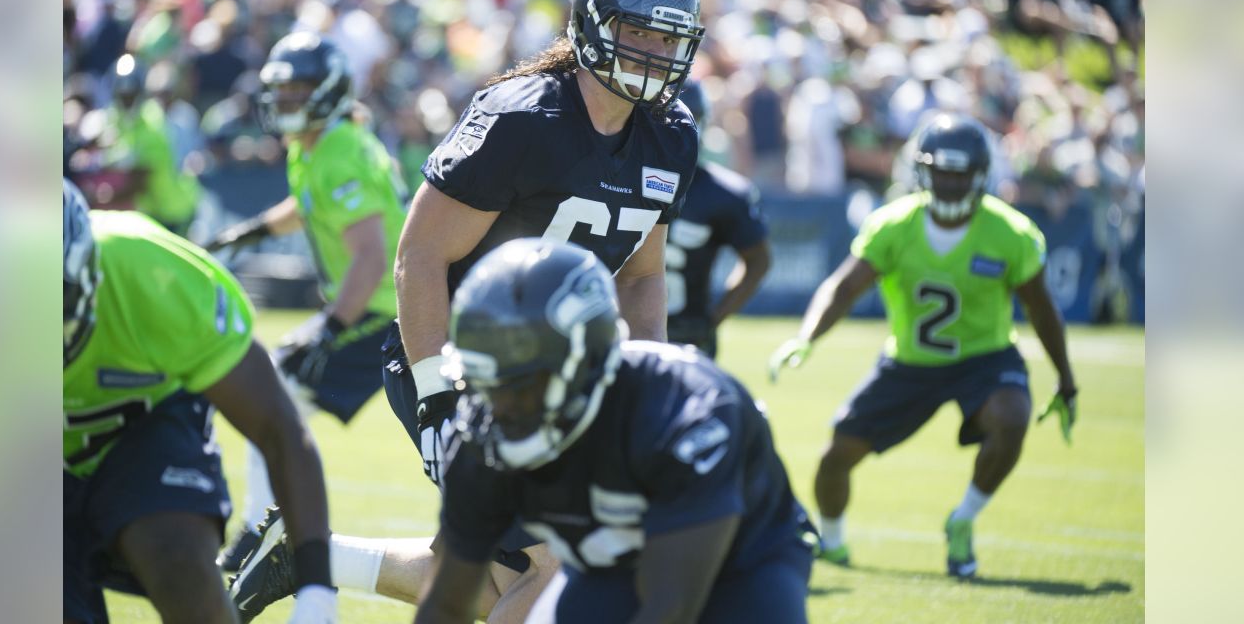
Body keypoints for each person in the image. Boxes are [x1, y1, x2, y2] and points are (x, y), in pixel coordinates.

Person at [229, 0, 704, 623]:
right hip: (463, 357)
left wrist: (648, 381)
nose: (657, 53)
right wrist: (437, 392)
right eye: (640, 32)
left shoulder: (672, 136)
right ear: (594, 25)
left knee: (522, 579)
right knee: (569, 567)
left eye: (670, 38)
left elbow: (642, 276)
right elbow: (419, 255)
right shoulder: (522, 119)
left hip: (561, 372)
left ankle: (308, 557)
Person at [416, 238, 816, 623]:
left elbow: (669, 609)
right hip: (610, 560)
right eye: (484, 383)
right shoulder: (479, 436)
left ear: (583, 363)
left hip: (743, 563)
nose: (497, 406)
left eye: (516, 385)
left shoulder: (685, 414)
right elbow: (447, 605)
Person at [768, 113, 1078, 579]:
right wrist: (807, 335)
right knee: (836, 458)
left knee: (1012, 417)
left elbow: (1041, 309)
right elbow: (843, 287)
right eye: (942, 172)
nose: (950, 184)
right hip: (908, 362)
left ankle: (963, 519)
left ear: (979, 176)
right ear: (922, 171)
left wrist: (1066, 378)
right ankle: (831, 543)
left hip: (984, 358)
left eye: (960, 174)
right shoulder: (895, 225)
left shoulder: (1009, 233)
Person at [62, 180, 336, 623]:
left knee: (177, 559)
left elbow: (276, 426)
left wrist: (316, 587)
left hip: (144, 427)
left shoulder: (149, 271)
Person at [203, 31, 409, 571]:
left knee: (270, 397)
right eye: (283, 91)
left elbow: (369, 254)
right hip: (372, 305)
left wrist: (331, 327)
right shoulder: (320, 143)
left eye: (299, 90)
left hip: (385, 311)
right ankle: (266, 530)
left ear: (329, 90)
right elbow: (308, 202)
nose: (288, 101)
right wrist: (250, 232)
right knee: (272, 399)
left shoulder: (342, 148)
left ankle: (261, 533)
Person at [666, 82, 771, 358]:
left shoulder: (724, 194)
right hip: (626, 331)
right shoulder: (617, 179)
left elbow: (758, 260)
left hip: (688, 338)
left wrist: (713, 318)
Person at [104, 53, 203, 235]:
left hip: (173, 211)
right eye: (122, 95)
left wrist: (100, 198)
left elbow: (140, 182)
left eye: (131, 95)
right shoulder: (117, 117)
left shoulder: (153, 125)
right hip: (152, 211)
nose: (126, 100)